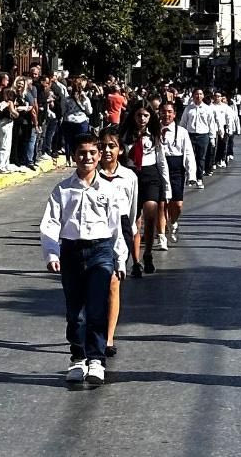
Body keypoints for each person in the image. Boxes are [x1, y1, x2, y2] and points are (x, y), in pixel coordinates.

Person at [40, 131, 127, 384]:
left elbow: (115, 229)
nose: (87, 157)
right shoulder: (63, 190)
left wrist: (120, 260)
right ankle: (78, 358)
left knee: (97, 308)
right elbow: (50, 224)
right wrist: (52, 253)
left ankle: (97, 360)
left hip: (101, 251)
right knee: (76, 312)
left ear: (99, 156)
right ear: (74, 156)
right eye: (81, 153)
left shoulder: (109, 190)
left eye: (92, 153)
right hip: (71, 252)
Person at [97, 125, 138, 359]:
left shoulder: (129, 177)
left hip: (120, 230)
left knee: (114, 282)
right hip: (96, 228)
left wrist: (129, 234)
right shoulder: (91, 176)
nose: (107, 151)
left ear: (120, 150)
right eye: (102, 146)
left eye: (112, 146)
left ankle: (109, 337)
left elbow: (132, 212)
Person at [120, 103, 171, 277]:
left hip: (151, 176)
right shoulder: (126, 135)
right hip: (132, 175)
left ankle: (148, 253)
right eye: (139, 115)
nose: (142, 119)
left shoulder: (155, 135)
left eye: (146, 116)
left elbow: (161, 161)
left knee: (150, 216)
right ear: (133, 117)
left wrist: (167, 186)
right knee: (135, 221)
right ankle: (136, 261)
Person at [159, 101, 197, 247]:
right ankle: (162, 235)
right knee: (162, 204)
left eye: (169, 112)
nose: (166, 114)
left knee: (177, 204)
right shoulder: (155, 131)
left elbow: (188, 153)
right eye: (164, 111)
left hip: (176, 170)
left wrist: (191, 174)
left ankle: (173, 222)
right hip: (160, 168)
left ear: (174, 114)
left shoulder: (181, 132)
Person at [179, 89, 216, 188]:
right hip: (190, 135)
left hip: (203, 135)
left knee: (201, 158)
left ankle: (199, 178)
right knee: (190, 157)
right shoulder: (188, 109)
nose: (198, 96)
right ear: (193, 96)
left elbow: (211, 123)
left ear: (203, 96)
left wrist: (212, 137)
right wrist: (180, 134)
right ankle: (190, 177)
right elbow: (183, 122)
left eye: (200, 94)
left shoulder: (207, 109)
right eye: (196, 94)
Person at [62, 78, 92, 166]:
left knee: (68, 141)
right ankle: (80, 157)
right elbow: (89, 111)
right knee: (81, 141)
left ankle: (68, 160)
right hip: (81, 121)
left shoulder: (67, 99)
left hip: (69, 120)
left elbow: (63, 110)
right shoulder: (84, 98)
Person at [0, 88, 19, 173]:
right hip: (6, 123)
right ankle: (2, 166)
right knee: (5, 145)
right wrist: (18, 111)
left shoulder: (2, 102)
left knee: (3, 145)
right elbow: (14, 113)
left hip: (2, 122)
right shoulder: (9, 102)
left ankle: (4, 164)